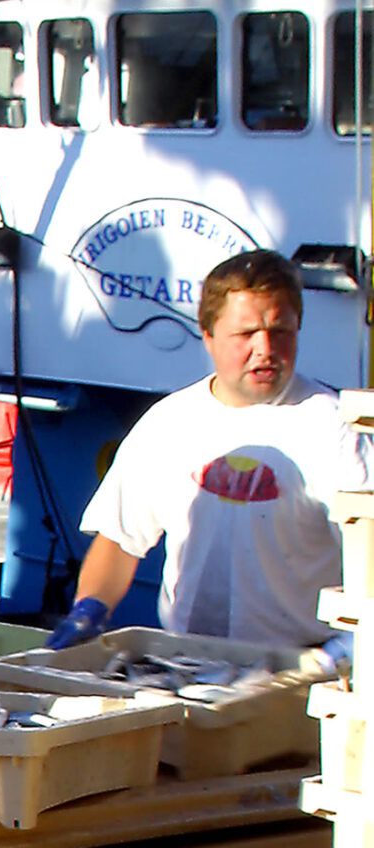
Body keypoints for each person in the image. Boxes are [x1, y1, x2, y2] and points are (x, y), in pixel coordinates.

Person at [50, 248, 368, 653]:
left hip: (300, 665)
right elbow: (119, 539)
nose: (265, 348)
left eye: (280, 331)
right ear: (208, 335)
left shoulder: (334, 426)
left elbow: (367, 559)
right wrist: (89, 609)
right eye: (246, 334)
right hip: (186, 660)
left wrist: (340, 654)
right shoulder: (169, 423)